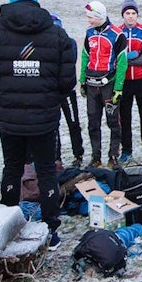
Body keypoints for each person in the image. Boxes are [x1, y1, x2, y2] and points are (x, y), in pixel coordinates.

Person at [0, 0, 76, 249]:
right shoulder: (56, 33)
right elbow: (67, 81)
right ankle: (51, 229)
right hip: (44, 116)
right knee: (46, 171)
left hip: (9, 116)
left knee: (12, 167)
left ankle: (7, 224)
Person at [81, 0, 127, 168]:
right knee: (93, 122)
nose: (88, 20)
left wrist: (118, 87)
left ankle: (113, 155)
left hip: (109, 84)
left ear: (99, 16)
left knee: (113, 122)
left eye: (91, 17)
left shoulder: (117, 35)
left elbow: (122, 62)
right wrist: (82, 80)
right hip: (91, 84)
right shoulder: (89, 33)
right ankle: (96, 156)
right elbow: (85, 56)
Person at [117, 0, 142, 163]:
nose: (131, 16)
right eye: (127, 13)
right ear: (123, 15)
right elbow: (114, 58)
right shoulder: (117, 32)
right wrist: (130, 56)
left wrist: (125, 59)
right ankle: (126, 149)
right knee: (124, 116)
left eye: (133, 13)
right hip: (124, 81)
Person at [50, 13, 86, 169]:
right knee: (53, 125)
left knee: (73, 122)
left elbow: (70, 62)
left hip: (67, 90)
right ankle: (56, 157)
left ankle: (78, 154)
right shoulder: (44, 44)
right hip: (51, 92)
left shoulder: (70, 42)